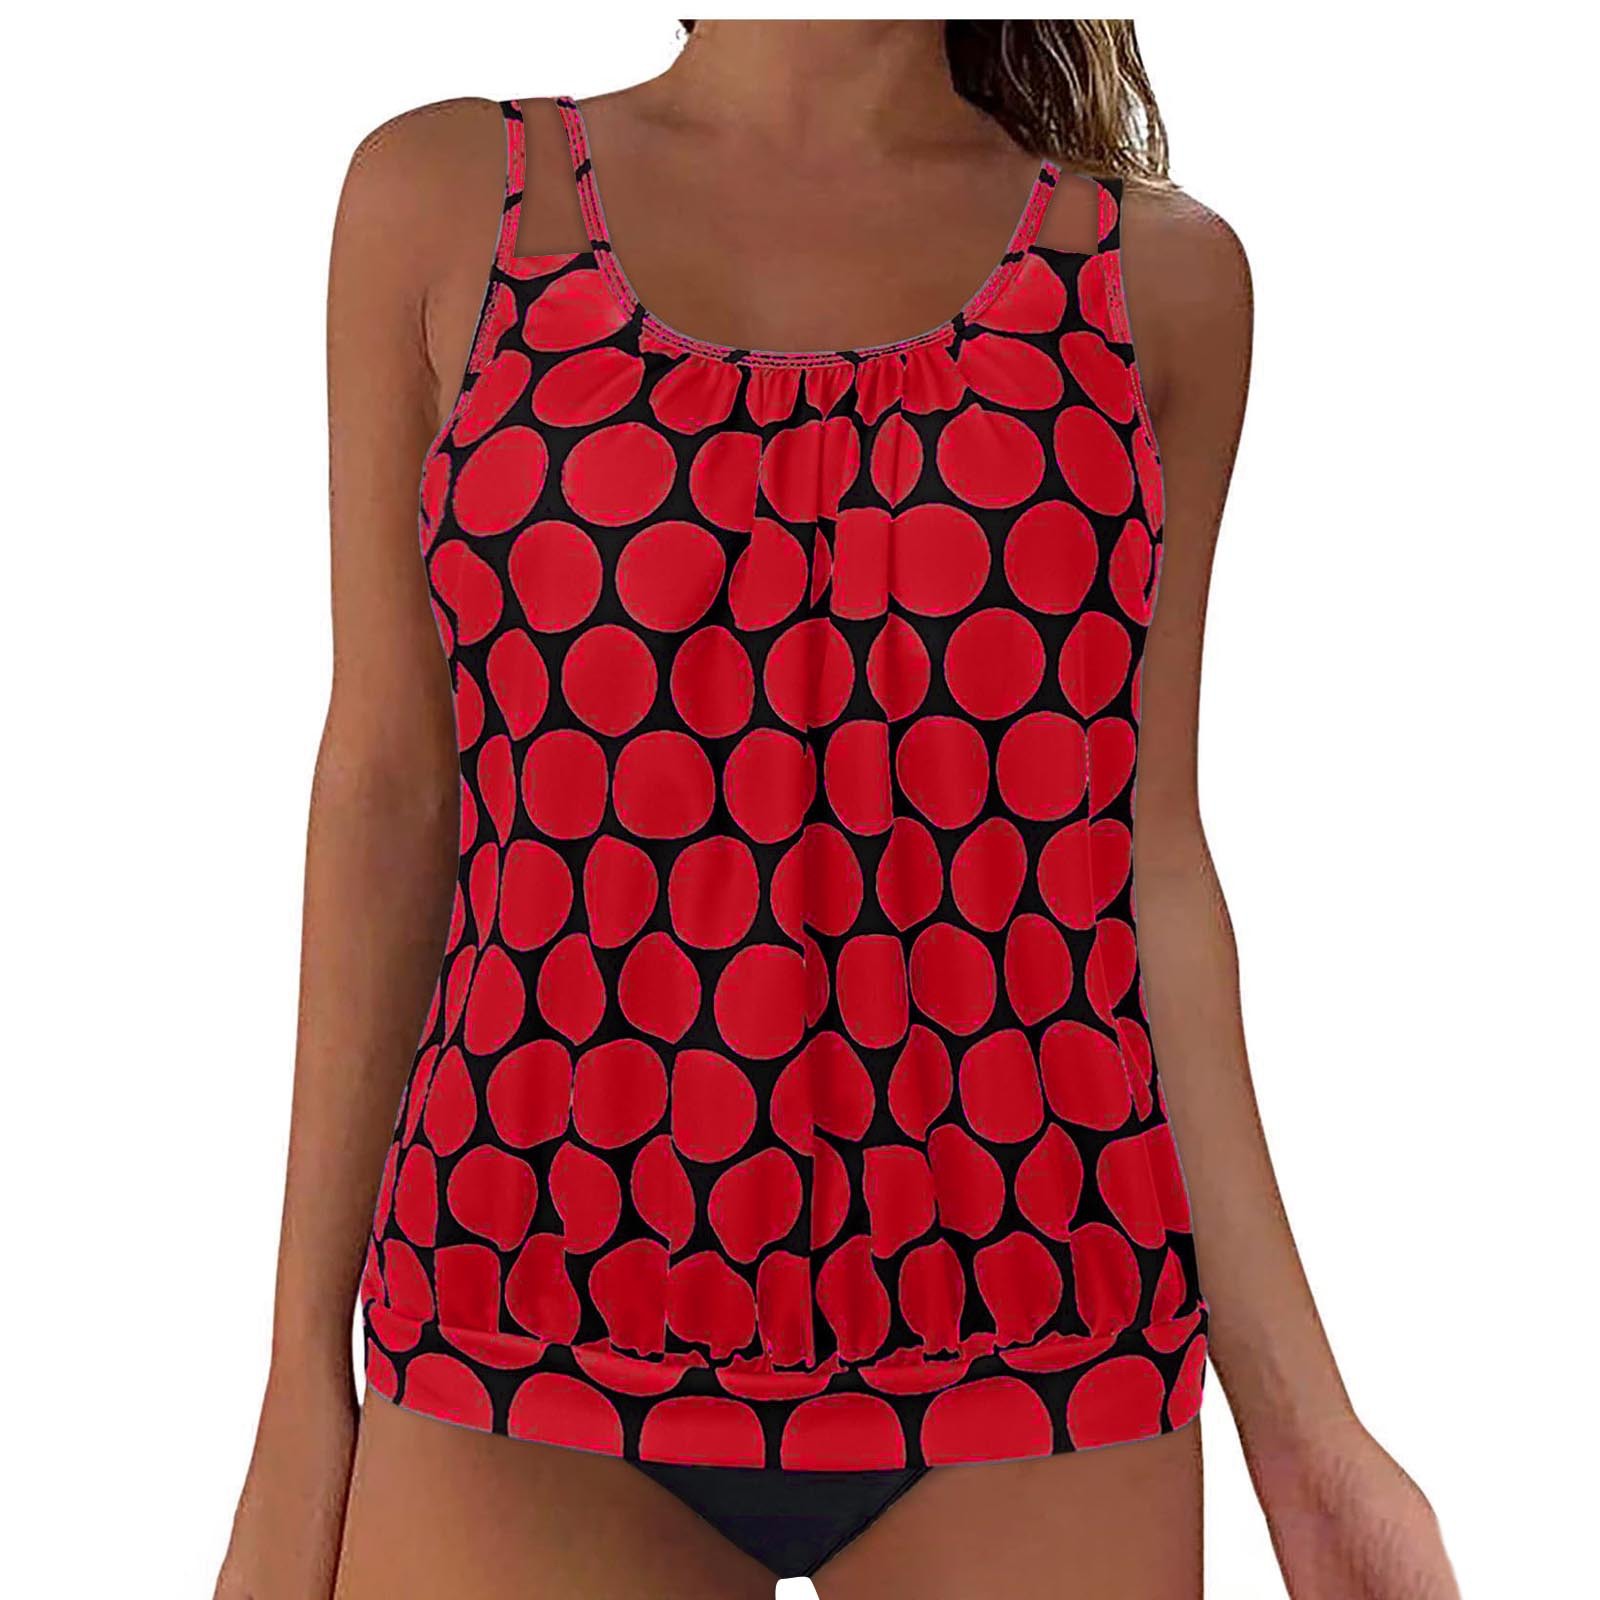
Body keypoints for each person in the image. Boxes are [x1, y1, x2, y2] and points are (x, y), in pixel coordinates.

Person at [215, 21, 1459, 1599]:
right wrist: (297, 1394)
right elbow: (393, 796)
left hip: (1045, 1327)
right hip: (520, 1316)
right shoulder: (447, 203)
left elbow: (1140, 858)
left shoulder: (1159, 282)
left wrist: (1311, 1442)